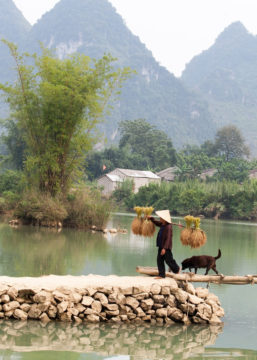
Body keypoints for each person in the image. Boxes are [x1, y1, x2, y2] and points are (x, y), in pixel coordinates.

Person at [148, 210, 180, 278]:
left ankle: (177, 269)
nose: (160, 218)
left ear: (164, 219)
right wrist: (151, 218)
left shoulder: (168, 227)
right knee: (159, 260)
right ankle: (161, 275)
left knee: (169, 260)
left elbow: (168, 238)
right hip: (161, 245)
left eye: (161, 218)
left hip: (166, 247)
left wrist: (164, 248)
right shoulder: (163, 224)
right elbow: (157, 223)